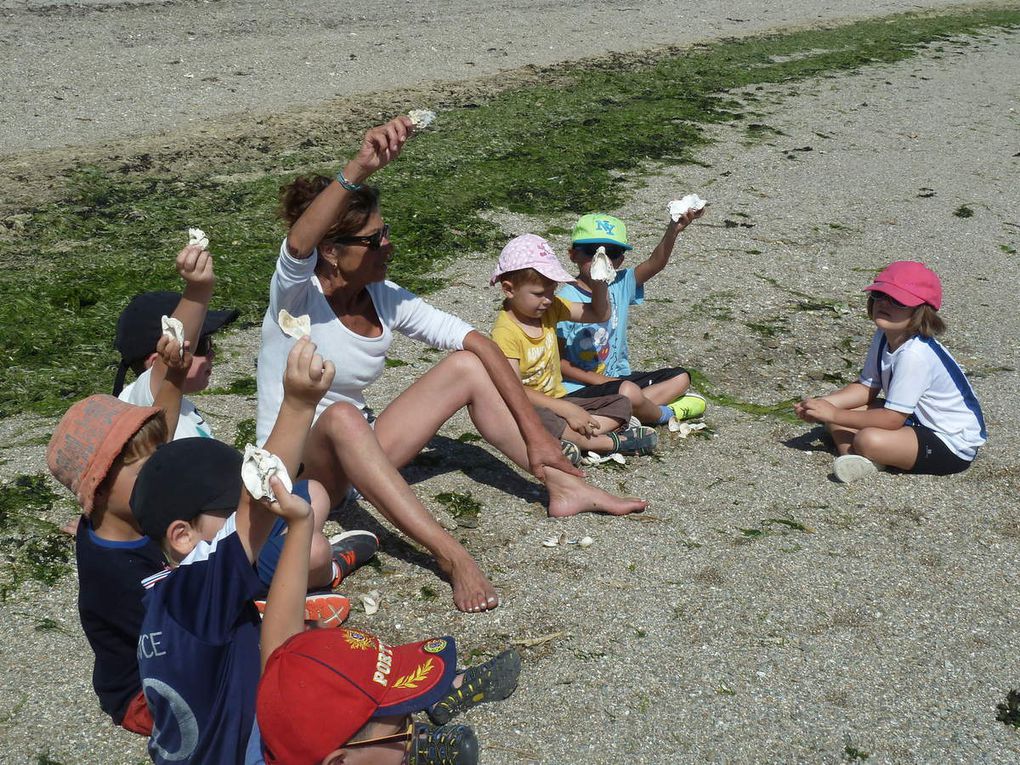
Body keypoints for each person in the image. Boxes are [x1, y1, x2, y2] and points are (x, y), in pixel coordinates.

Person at [255, 116, 646, 614]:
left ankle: (563, 484)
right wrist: (359, 167)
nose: (389, 245)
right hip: (297, 471)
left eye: (385, 232)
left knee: (466, 363)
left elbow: (477, 342)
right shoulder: (294, 294)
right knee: (341, 419)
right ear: (331, 252)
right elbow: (297, 246)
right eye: (374, 240)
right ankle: (452, 556)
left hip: (359, 459)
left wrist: (537, 435)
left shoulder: (383, 297)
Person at [132, 338, 340, 764]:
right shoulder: (196, 592)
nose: (240, 518)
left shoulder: (164, 596)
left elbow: (276, 650)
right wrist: (299, 404)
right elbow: (258, 506)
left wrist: (300, 525)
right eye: (228, 512)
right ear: (182, 536)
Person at [246, 472, 521, 765]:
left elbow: (279, 649)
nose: (413, 730)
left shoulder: (274, 726)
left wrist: (300, 527)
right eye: (404, 727)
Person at [795, 261, 987, 483]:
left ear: (920, 312)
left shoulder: (915, 355)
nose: (885, 303)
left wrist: (833, 414)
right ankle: (858, 459)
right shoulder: (884, 335)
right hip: (915, 419)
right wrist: (821, 404)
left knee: (867, 438)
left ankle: (863, 454)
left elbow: (893, 419)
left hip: (950, 442)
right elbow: (867, 386)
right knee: (842, 411)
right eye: (879, 295)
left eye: (897, 301)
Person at [490, 233, 657, 458]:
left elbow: (599, 313)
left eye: (551, 291)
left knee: (621, 401)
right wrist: (567, 409)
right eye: (539, 294)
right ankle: (605, 443)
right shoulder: (505, 332)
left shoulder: (551, 307)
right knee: (542, 418)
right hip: (527, 406)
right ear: (509, 289)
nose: (548, 299)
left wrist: (599, 284)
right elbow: (513, 390)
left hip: (560, 398)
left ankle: (570, 438)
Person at [556, 212, 707, 426]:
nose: (602, 259)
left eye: (612, 252)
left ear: (620, 259)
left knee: (680, 378)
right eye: (592, 251)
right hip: (580, 387)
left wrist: (673, 230)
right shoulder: (565, 301)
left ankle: (624, 415)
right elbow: (558, 362)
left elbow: (655, 263)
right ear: (573, 255)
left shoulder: (619, 283)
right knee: (627, 393)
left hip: (618, 378)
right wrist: (603, 381)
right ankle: (658, 413)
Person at [113, 244, 239, 440]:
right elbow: (178, 342)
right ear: (157, 361)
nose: (212, 354)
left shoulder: (183, 407)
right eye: (201, 345)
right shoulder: (142, 403)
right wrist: (198, 290)